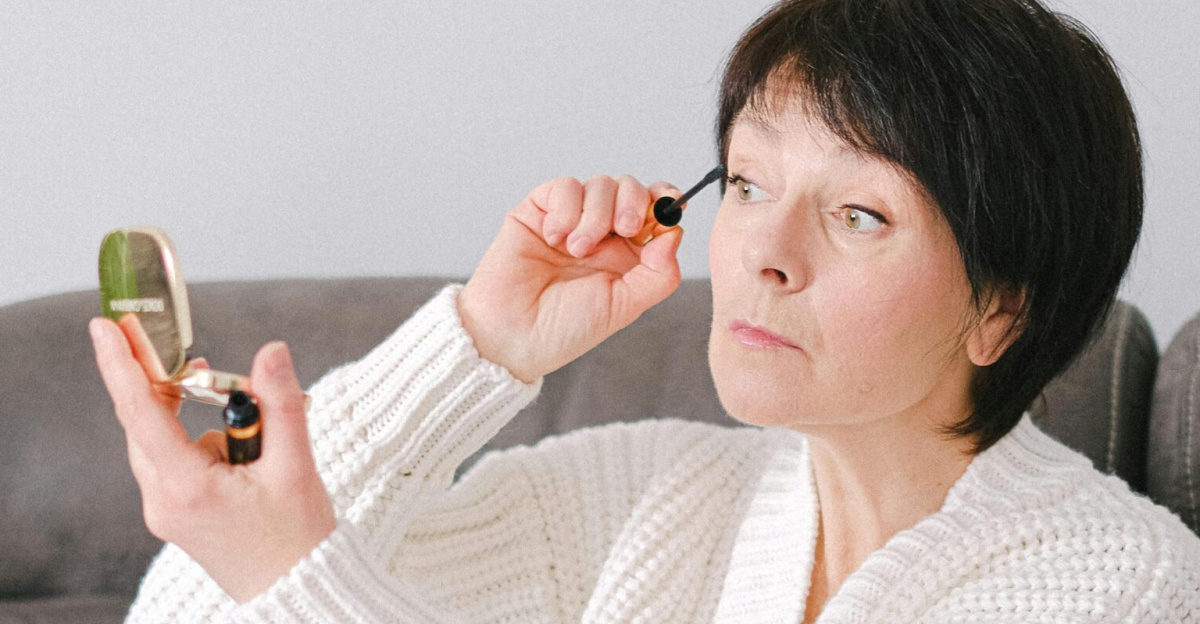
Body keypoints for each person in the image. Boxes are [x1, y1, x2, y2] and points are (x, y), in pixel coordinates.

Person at [89, 0, 1200, 622]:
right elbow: (192, 610)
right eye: (751, 183)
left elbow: (284, 590)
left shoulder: (1115, 584)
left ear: (1001, 311)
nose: (761, 250)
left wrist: (301, 582)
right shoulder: (642, 495)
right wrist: (476, 346)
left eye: (859, 213)